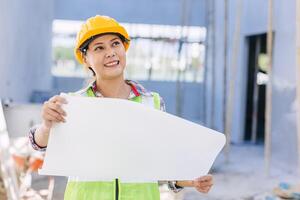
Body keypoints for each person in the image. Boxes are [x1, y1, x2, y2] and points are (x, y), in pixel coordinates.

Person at [29, 15, 213, 200]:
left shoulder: (151, 103)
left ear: (124, 48)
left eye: (115, 44)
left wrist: (189, 181)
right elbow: (38, 144)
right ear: (85, 59)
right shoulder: (74, 104)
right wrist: (46, 127)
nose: (110, 52)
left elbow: (161, 164)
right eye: (99, 48)